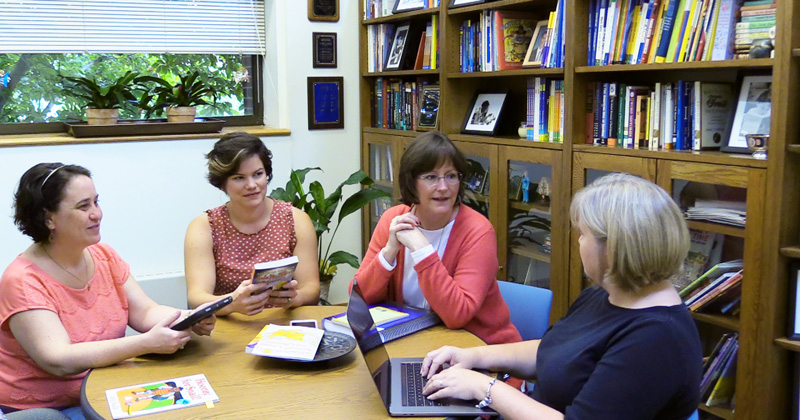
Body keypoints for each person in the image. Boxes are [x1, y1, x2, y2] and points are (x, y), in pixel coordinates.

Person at [420, 173, 703, 420]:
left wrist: (484, 388)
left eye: (584, 234)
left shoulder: (656, 340)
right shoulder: (608, 294)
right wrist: (472, 356)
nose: (578, 241)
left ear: (613, 247)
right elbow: (554, 351)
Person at [0, 163, 216, 419]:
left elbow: (146, 312)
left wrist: (187, 317)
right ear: (49, 218)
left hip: (106, 388)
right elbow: (59, 359)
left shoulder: (104, 256)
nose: (97, 214)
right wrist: (145, 343)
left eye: (96, 202)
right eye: (83, 206)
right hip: (50, 408)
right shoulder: (22, 280)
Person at [353, 131, 521, 345]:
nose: (443, 187)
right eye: (431, 177)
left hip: (482, 354)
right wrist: (389, 253)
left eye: (451, 176)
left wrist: (421, 248)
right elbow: (358, 300)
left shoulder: (478, 231)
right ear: (412, 182)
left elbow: (457, 314)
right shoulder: (393, 220)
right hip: (418, 346)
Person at [184, 132, 320, 316]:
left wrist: (295, 298)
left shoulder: (296, 220)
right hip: (229, 326)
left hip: (284, 326)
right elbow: (197, 297)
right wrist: (232, 303)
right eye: (239, 178)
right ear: (222, 184)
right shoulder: (205, 227)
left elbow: (311, 289)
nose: (251, 185)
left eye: (258, 174)